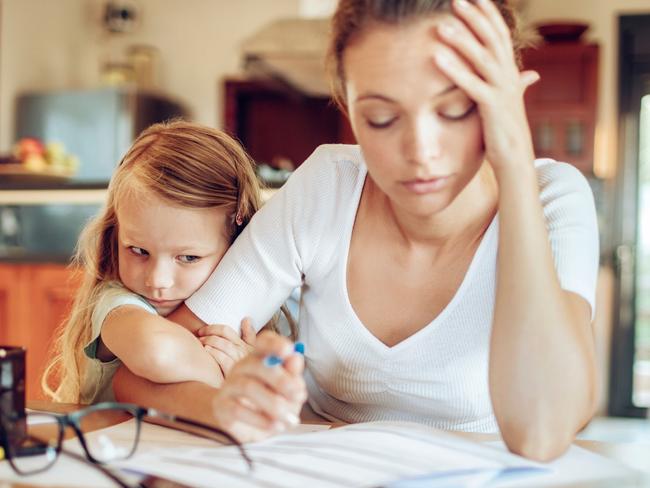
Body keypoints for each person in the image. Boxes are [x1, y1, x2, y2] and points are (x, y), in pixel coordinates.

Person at [114, 0, 599, 460]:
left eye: (455, 109)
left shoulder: (551, 197)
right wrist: (227, 404)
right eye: (381, 118)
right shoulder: (327, 187)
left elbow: (542, 432)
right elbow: (137, 377)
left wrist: (514, 161)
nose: (421, 151)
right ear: (347, 107)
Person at [42, 121, 306, 442]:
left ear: (237, 244)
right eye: (139, 250)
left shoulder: (252, 310)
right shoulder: (117, 303)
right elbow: (155, 349)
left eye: (188, 258)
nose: (157, 281)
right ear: (117, 234)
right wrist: (234, 375)